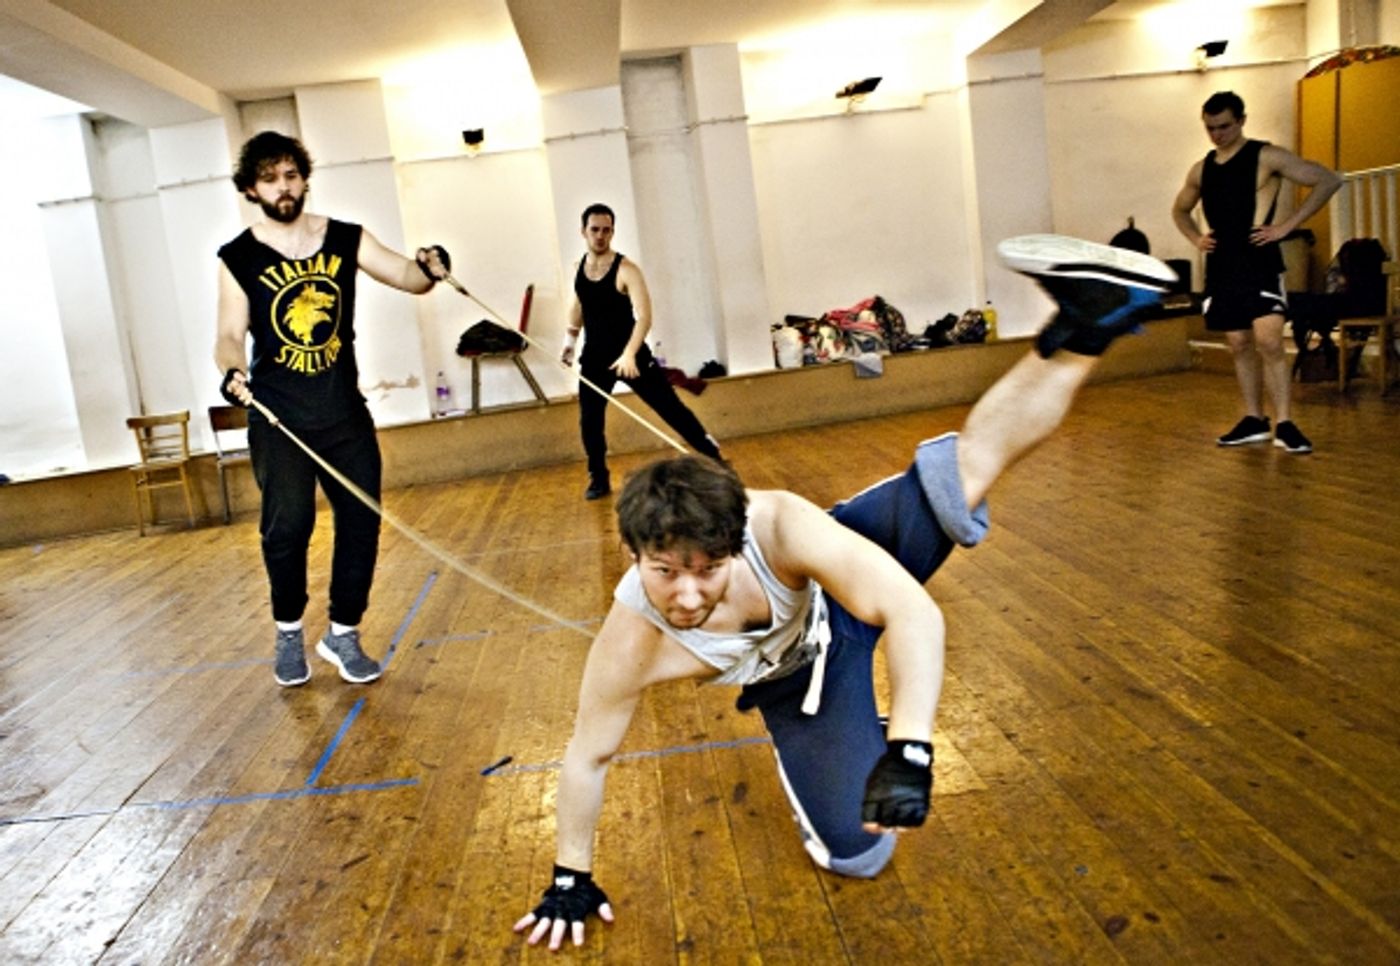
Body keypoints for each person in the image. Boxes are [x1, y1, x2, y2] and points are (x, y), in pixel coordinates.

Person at [514, 235, 1177, 950]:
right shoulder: (633, 637)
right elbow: (587, 755)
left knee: (966, 475)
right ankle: (825, 742)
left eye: (707, 569)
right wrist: (569, 877)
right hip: (800, 678)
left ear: (737, 544)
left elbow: (912, 611)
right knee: (859, 855)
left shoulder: (780, 525)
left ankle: (1087, 325)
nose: (685, 594)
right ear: (635, 554)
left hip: (838, 592)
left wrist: (912, 750)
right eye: (664, 571)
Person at [213, 131, 451, 688]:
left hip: (343, 412)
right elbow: (228, 333)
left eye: (291, 175)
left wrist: (432, 264)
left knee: (361, 520)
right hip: (279, 417)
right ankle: (289, 632)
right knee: (288, 528)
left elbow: (407, 277)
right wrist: (232, 370)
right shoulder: (238, 257)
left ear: (304, 178)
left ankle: (342, 632)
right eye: (270, 179)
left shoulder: (345, 238)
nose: (284, 187)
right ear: (252, 188)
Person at [1171, 90, 1341, 454]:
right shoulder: (1201, 168)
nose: (1217, 134)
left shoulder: (1266, 155)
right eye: (1210, 128)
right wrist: (1196, 238)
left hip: (1259, 261)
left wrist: (1287, 226)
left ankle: (1285, 423)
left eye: (1225, 126)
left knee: (1268, 340)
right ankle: (1253, 419)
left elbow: (1328, 180)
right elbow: (1180, 210)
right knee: (1238, 343)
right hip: (1222, 264)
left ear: (1242, 121)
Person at [561, 203, 724, 500]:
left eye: (606, 230)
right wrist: (569, 344)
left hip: (633, 356)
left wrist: (629, 354)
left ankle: (714, 457)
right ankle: (598, 477)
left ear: (613, 231)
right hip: (595, 358)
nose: (600, 236)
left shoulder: (626, 269)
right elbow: (577, 308)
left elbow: (645, 317)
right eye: (594, 230)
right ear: (583, 231)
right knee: (590, 420)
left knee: (671, 408)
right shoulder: (577, 269)